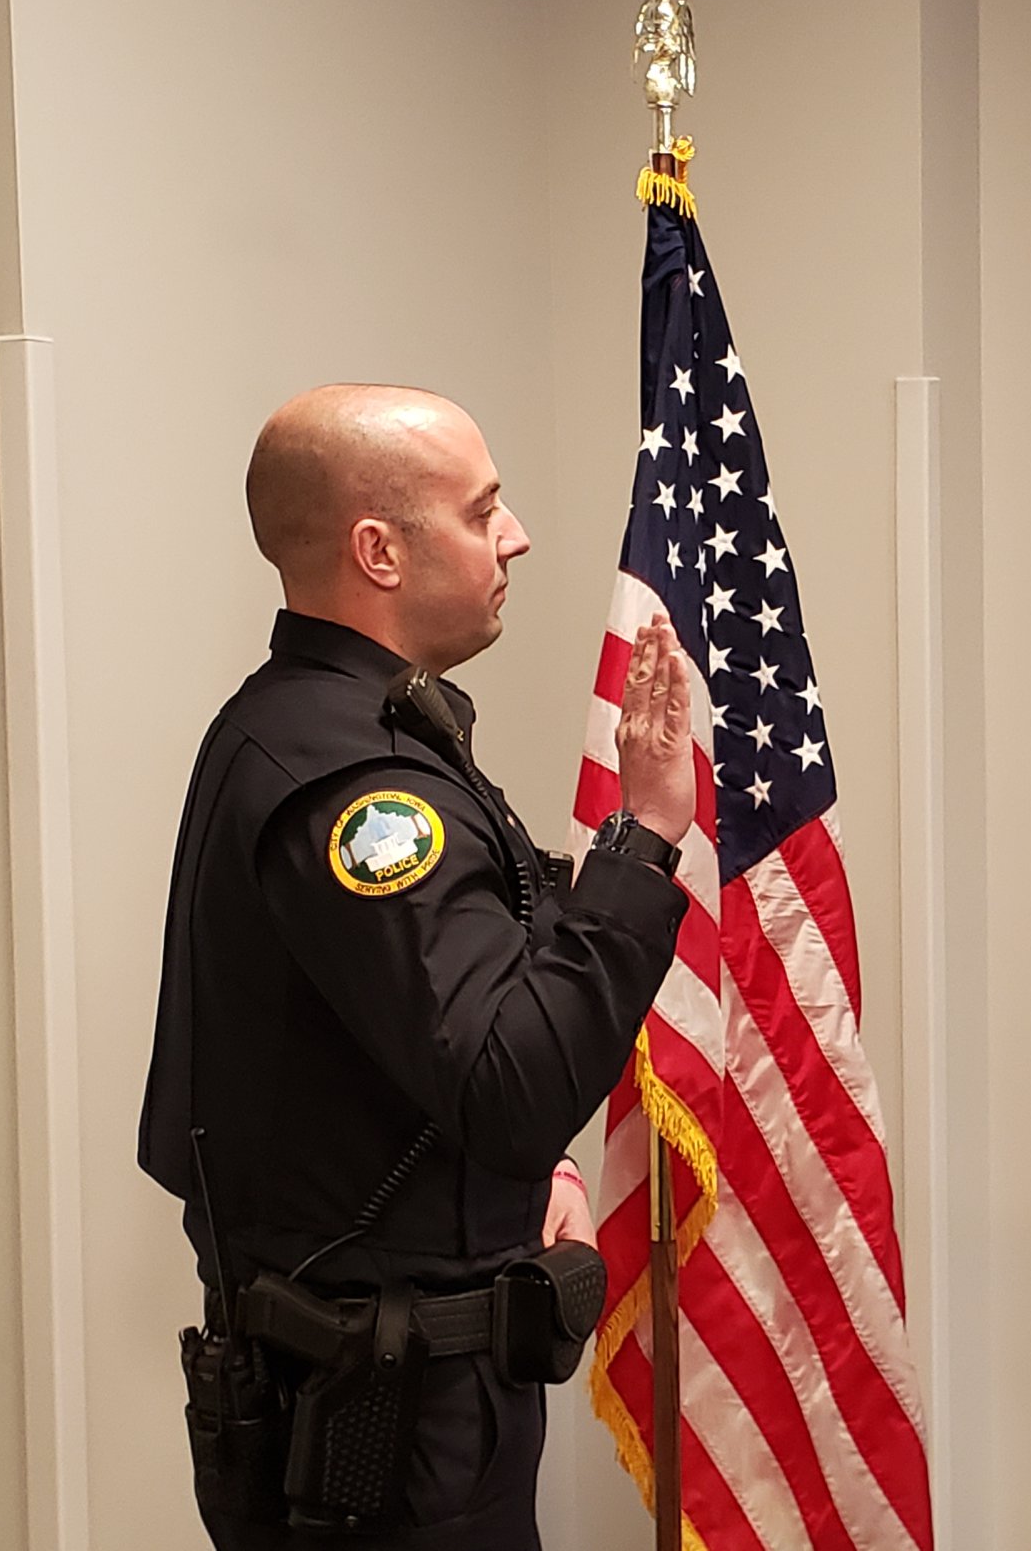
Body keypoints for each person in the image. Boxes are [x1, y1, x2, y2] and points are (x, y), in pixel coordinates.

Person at [139, 384, 695, 1548]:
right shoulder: (359, 786)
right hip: (385, 1433)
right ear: (378, 551)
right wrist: (645, 839)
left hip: (392, 1397)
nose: (515, 535)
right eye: (481, 510)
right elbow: (508, 1082)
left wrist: (526, 1174)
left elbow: (445, 999)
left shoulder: (316, 725)